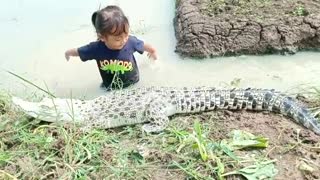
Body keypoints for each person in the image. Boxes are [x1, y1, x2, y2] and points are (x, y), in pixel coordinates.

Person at [65, 5, 157, 90]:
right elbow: (79, 51)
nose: (124, 40)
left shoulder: (131, 42)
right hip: (110, 88)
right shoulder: (96, 48)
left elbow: (145, 46)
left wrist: (153, 52)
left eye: (126, 35)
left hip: (134, 83)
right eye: (118, 39)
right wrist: (68, 53)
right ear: (102, 37)